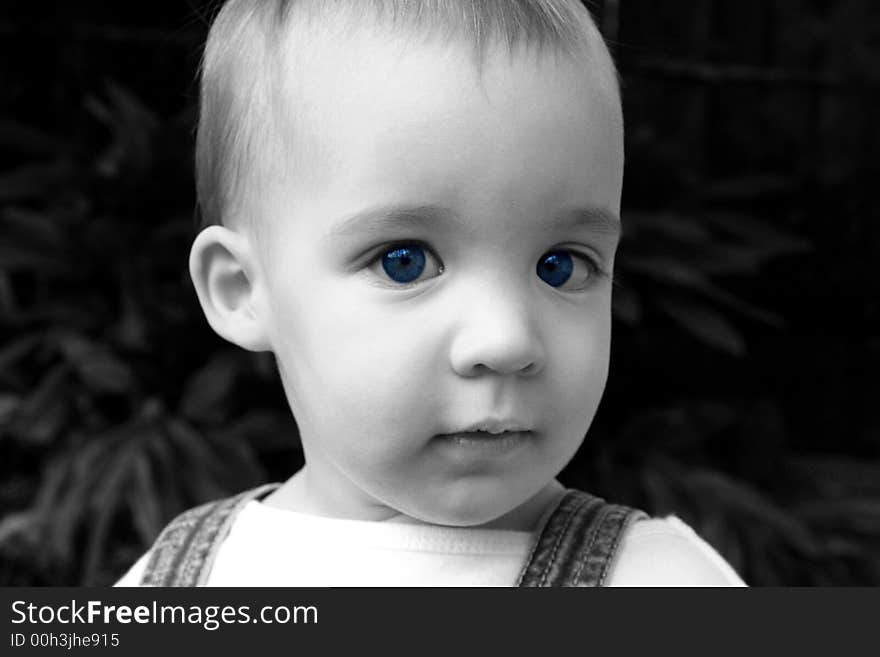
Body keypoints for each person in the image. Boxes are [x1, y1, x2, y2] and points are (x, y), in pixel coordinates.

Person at [117, 0, 745, 586]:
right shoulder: (171, 578)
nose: (507, 339)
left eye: (559, 265)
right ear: (243, 289)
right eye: (405, 261)